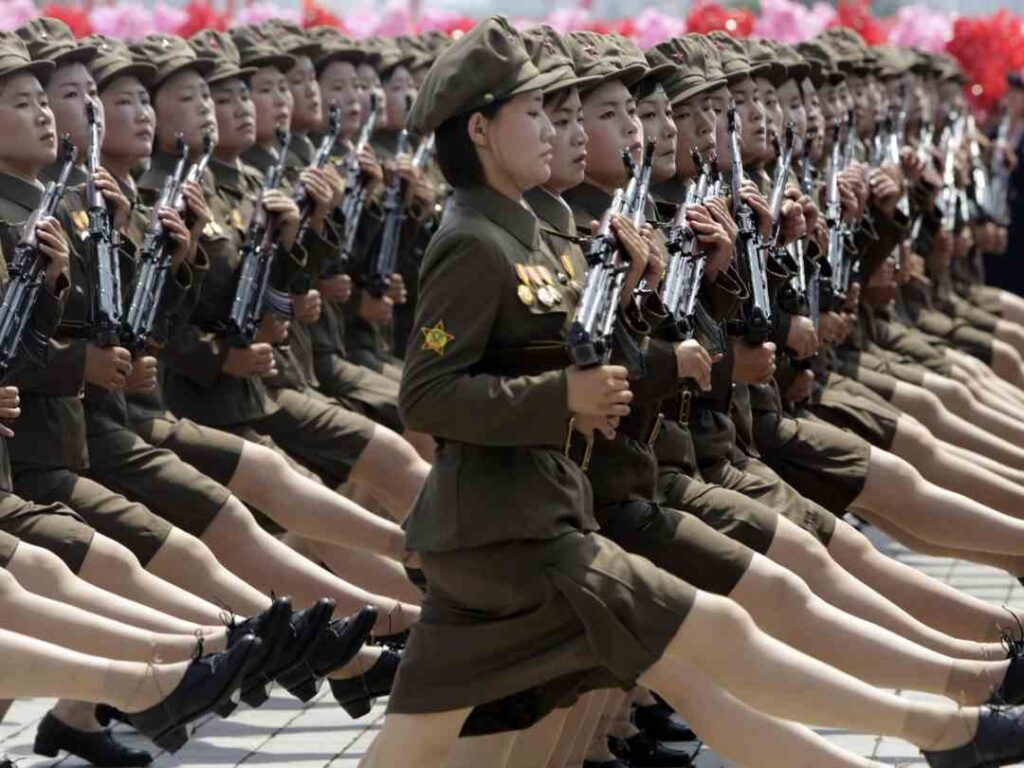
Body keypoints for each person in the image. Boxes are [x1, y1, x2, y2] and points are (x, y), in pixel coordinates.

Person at [359, 18, 1024, 768]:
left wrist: (645, 305)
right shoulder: (472, 240)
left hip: (527, 521)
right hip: (509, 533)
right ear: (480, 130)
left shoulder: (529, 232)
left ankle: (952, 717)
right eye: (537, 113)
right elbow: (428, 395)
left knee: (461, 743)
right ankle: (948, 725)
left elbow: (588, 352)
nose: (553, 130)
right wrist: (564, 396)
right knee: (714, 641)